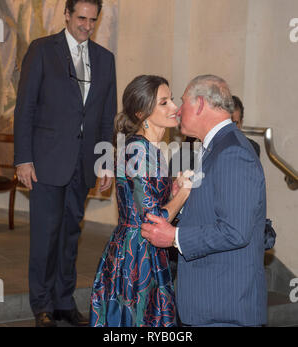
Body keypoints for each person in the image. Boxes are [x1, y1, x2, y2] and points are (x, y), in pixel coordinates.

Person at [14, 0, 117, 327]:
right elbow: (25, 108)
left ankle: (63, 301)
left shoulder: (105, 60)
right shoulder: (42, 50)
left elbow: (105, 119)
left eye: (92, 20)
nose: (87, 26)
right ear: (67, 15)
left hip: (83, 163)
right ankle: (41, 304)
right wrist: (23, 159)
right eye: (81, 18)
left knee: (71, 234)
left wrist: (105, 162)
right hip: (45, 162)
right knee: (46, 235)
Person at [141, 75, 268, 327]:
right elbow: (217, 210)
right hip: (212, 304)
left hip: (224, 307)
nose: (178, 110)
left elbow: (235, 231)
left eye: (183, 102)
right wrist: (186, 199)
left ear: (199, 104)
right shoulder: (217, 147)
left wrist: (174, 237)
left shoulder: (231, 152)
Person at [90, 75, 192, 327]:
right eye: (164, 103)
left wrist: (174, 190)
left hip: (143, 248)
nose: (175, 108)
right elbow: (153, 219)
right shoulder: (138, 151)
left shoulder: (148, 149)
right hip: (138, 254)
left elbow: (149, 201)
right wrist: (184, 193)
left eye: (171, 100)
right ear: (142, 113)